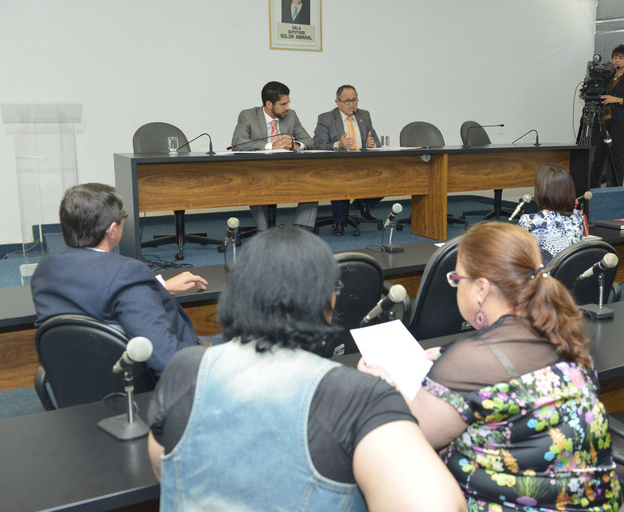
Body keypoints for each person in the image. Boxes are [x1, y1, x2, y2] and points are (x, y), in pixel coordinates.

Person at [147, 228, 465, 511]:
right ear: (328, 302)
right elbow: (440, 505)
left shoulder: (184, 369)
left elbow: (165, 467)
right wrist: (387, 399)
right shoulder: (359, 396)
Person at [360, 222, 621, 511]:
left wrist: (386, 385)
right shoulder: (563, 335)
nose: (456, 286)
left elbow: (415, 436)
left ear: (481, 289)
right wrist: (450, 356)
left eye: (457, 279)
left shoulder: (471, 361)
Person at [31, 183, 208, 376]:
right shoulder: (127, 272)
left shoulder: (46, 269)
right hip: (152, 381)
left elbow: (95, 293)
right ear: (112, 229)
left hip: (82, 380)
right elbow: (166, 360)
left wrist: (160, 286)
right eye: (123, 216)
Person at [231, 81, 317, 231]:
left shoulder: (291, 116)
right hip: (261, 170)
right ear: (269, 104)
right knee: (255, 179)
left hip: (288, 169)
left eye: (288, 103)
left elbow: (309, 141)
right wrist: (271, 146)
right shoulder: (248, 115)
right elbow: (238, 143)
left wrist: (296, 145)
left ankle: (303, 228)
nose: (287, 108)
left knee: (312, 178)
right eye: (283, 104)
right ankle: (263, 230)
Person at [313, 84, 382, 236]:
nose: (352, 104)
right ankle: (339, 221)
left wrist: (371, 144)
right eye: (347, 101)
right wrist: (338, 144)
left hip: (361, 164)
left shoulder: (364, 115)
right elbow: (318, 145)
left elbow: (377, 142)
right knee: (339, 179)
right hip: (337, 166)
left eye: (355, 100)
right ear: (337, 102)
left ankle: (362, 203)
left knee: (388, 176)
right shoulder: (326, 118)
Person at [589, 44, 624, 188]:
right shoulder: (608, 77)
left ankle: (614, 193)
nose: (617, 60)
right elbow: (600, 95)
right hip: (605, 123)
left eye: (621, 57)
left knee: (616, 159)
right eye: (615, 57)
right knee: (598, 158)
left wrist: (615, 99)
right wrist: (588, 92)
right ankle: (593, 191)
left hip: (622, 124)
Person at [518, 164, 588, 264]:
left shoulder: (529, 221)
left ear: (540, 191)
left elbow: (514, 253)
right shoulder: (577, 216)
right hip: (570, 272)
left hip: (542, 273)